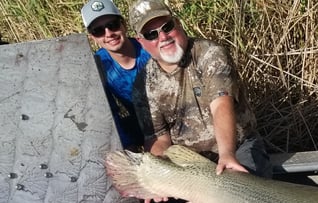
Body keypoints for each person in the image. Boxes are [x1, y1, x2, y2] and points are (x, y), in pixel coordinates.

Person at [128, 0, 272, 181]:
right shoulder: (144, 84)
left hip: (237, 147)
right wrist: (159, 175)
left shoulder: (209, 54)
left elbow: (221, 104)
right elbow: (158, 138)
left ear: (178, 23)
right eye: (151, 34)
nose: (163, 37)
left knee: (242, 192)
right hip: (187, 163)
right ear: (141, 42)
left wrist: (226, 154)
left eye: (167, 26)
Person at [81, 0, 151, 151]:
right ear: (92, 37)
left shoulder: (149, 47)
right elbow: (109, 112)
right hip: (141, 124)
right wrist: (127, 148)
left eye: (112, 25)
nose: (109, 34)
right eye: (98, 30)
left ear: (123, 24)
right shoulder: (98, 66)